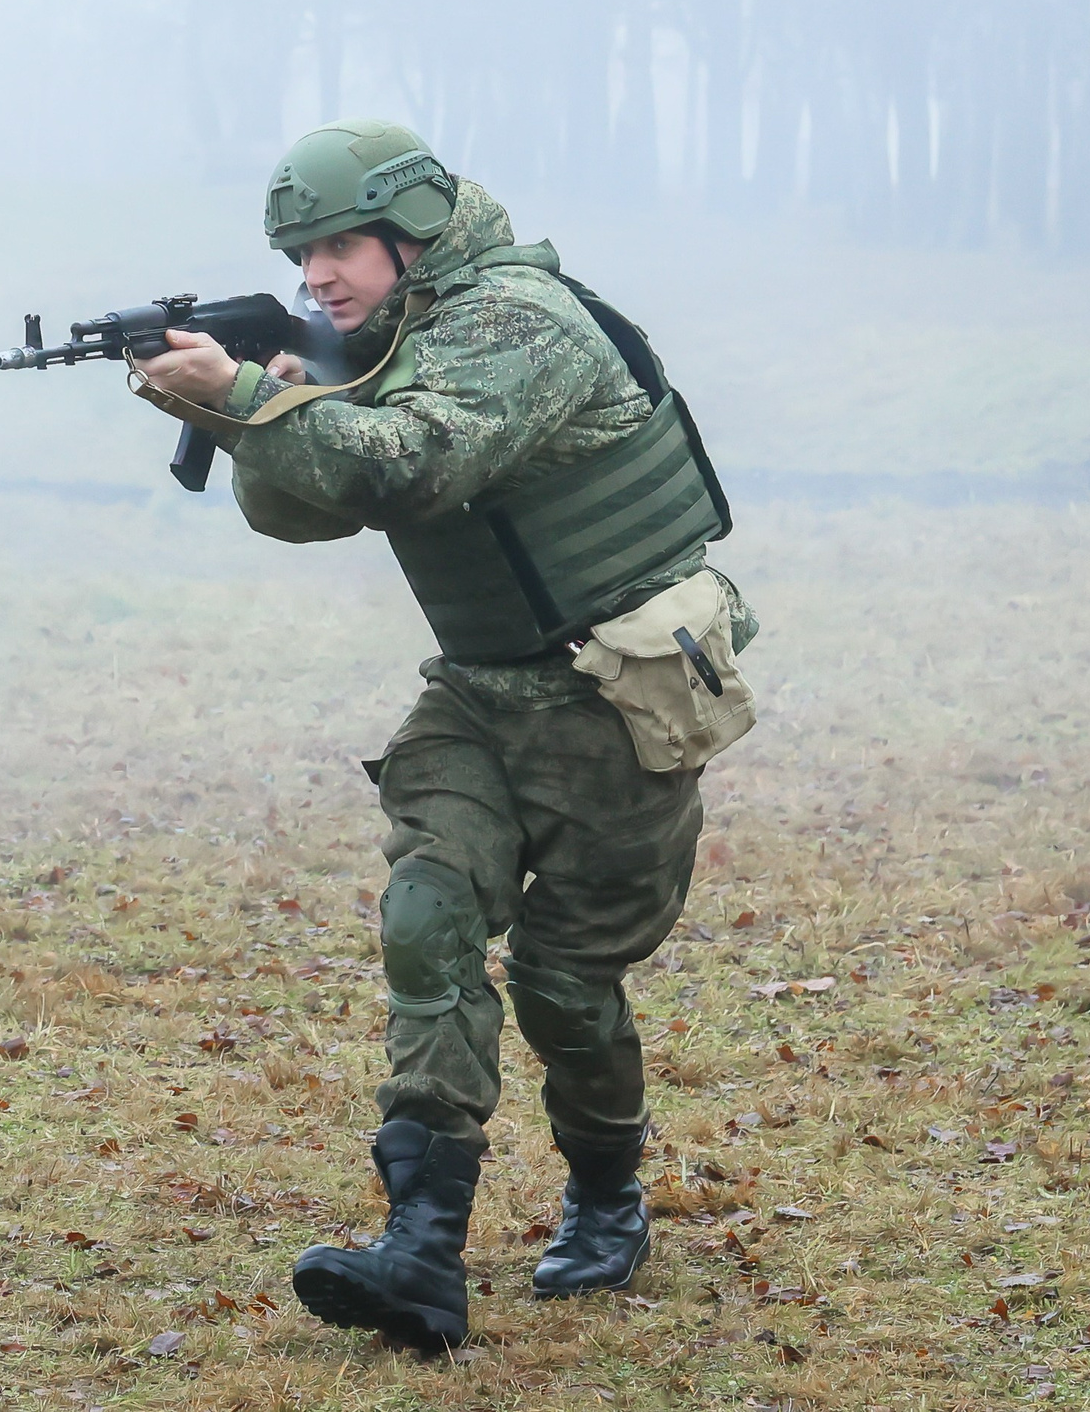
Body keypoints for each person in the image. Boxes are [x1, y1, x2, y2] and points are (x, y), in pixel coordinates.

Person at [130, 118, 759, 1353]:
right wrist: (262, 402)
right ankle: (420, 1248)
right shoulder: (382, 336)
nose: (317, 276)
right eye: (298, 255)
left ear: (413, 233)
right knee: (425, 916)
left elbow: (412, 468)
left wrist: (253, 393)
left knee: (566, 990)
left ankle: (604, 1193)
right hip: (476, 694)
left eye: (337, 247)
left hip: (613, 698)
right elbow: (304, 516)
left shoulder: (518, 319)